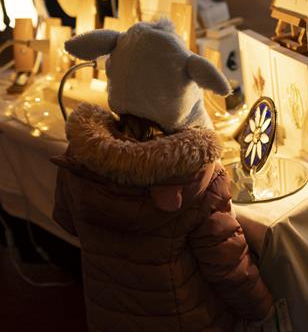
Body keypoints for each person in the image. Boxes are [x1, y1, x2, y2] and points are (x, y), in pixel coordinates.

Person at [51, 18, 273, 331]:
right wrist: (263, 308)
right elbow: (228, 267)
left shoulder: (81, 158)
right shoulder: (197, 177)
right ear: (184, 90)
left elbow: (66, 220)